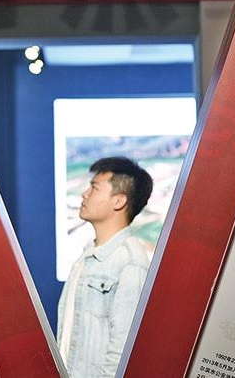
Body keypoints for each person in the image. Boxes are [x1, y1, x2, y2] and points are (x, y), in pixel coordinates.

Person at [57, 156, 153, 377]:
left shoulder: (130, 263)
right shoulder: (88, 254)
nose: (85, 194)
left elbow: (122, 352)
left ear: (118, 201)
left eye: (94, 187)